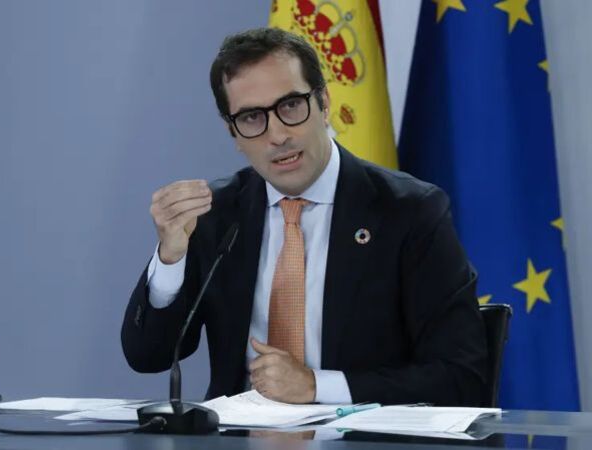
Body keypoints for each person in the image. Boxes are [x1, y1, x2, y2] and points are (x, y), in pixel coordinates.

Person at [121, 27, 487, 406]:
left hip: (360, 434)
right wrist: (171, 257)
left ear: (324, 103)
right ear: (233, 133)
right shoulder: (216, 214)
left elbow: (463, 376)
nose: (277, 135)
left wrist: (317, 387)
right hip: (240, 434)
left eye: (291, 106)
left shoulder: (409, 211)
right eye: (251, 117)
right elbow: (148, 356)